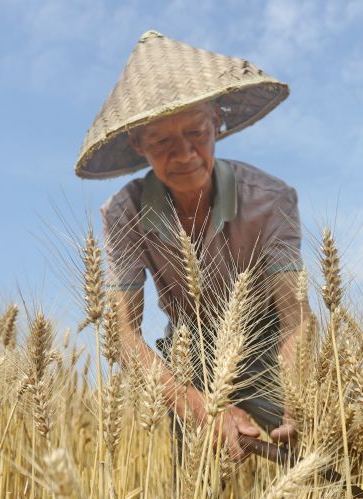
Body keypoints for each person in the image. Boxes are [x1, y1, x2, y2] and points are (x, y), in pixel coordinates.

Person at [74, 30, 308, 461]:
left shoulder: (271, 200)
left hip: (269, 347)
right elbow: (124, 332)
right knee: (194, 488)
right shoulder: (124, 214)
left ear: (217, 120)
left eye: (197, 132)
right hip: (188, 352)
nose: (184, 155)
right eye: (161, 142)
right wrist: (194, 403)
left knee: (315, 455)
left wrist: (297, 393)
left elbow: (294, 317)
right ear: (136, 143)